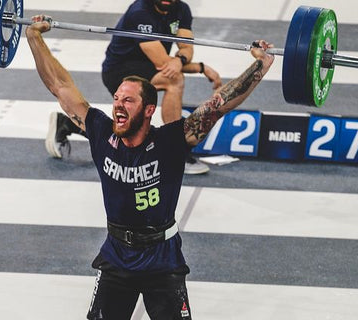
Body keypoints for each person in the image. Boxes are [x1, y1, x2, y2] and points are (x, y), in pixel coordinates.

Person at [26, 14, 273, 320]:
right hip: (117, 255)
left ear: (148, 110)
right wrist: (34, 38)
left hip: (162, 260)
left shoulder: (172, 142)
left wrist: (260, 65)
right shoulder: (102, 133)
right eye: (116, 98)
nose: (117, 105)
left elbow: (220, 103)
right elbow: (60, 86)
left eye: (128, 101)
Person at [46, 0, 222, 175]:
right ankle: (175, 151)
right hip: (120, 69)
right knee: (173, 80)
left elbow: (186, 50)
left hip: (147, 67)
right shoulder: (140, 13)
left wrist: (181, 59)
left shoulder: (182, 9)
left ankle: (68, 124)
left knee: (132, 130)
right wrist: (201, 67)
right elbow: (163, 64)